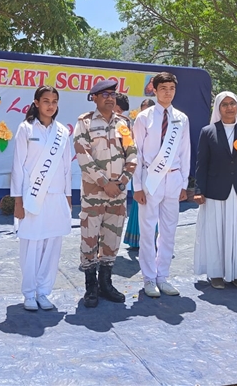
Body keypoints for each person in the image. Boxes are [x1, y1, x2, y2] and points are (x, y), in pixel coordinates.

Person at [73, 79, 138, 307]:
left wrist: (122, 182)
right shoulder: (85, 122)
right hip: (94, 194)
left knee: (112, 239)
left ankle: (106, 283)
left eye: (113, 94)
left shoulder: (124, 123)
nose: (110, 98)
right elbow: (82, 155)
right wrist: (104, 183)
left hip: (117, 194)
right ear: (94, 98)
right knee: (89, 239)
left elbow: (132, 154)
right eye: (104, 94)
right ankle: (91, 286)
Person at [10, 86, 72, 312]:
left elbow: (66, 168)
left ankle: (44, 292)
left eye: (54, 101)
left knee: (52, 245)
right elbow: (18, 166)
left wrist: (68, 198)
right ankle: (29, 293)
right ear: (36, 103)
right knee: (31, 245)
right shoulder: (26, 128)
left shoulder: (62, 132)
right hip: (32, 196)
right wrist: (17, 201)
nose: (50, 105)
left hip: (56, 196)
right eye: (46, 101)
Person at [193, 91, 237, 289]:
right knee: (216, 232)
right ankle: (216, 274)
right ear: (218, 108)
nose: (229, 107)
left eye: (232, 103)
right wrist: (199, 189)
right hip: (216, 190)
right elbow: (201, 164)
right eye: (224, 104)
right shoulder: (208, 132)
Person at [132, 72, 190, 298]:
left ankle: (163, 276)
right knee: (147, 230)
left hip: (174, 178)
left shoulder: (182, 119)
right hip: (150, 178)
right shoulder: (143, 118)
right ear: (154, 90)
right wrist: (137, 186)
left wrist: (184, 183)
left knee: (169, 231)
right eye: (163, 88)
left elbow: (185, 152)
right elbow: (136, 153)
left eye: (171, 88)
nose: (168, 92)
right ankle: (149, 278)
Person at [124, 98, 155, 250]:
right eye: (142, 110)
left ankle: (151, 239)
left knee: (152, 207)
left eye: (147, 110)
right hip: (138, 171)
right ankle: (136, 239)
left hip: (154, 172)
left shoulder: (158, 127)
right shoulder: (136, 125)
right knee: (138, 205)